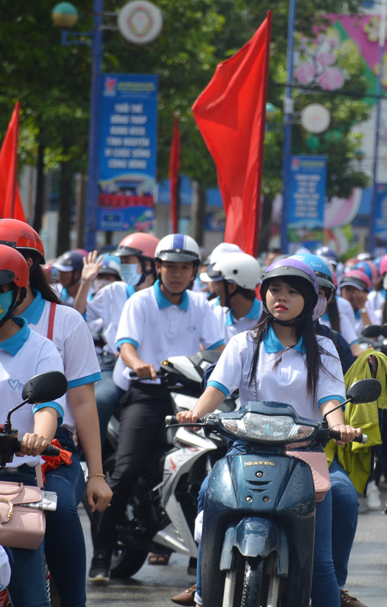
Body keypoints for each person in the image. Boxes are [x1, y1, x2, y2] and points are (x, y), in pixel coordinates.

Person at [176, 258, 358, 607]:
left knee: (320, 561)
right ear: (264, 294)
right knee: (206, 492)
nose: (282, 297)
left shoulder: (325, 348)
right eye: (275, 289)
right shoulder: (245, 342)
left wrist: (339, 427)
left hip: (305, 453)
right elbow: (217, 388)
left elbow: (331, 400)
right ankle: (202, 592)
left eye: (292, 291)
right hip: (247, 448)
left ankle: (333, 591)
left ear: (310, 299)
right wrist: (195, 413)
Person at [0, 219, 112, 607]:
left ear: (26, 270)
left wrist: (96, 475)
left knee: (61, 508)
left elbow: (80, 402)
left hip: (43, 450)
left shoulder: (62, 322)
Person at [90, 234, 224, 582]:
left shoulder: (201, 305)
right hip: (146, 393)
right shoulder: (140, 302)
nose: (177, 274)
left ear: (195, 271)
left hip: (191, 397)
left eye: (184, 267)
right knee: (127, 469)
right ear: (158, 267)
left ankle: (205, 555)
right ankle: (101, 554)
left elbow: (221, 349)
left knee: (217, 466)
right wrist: (138, 365)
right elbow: (126, 346)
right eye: (170, 267)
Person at [0, 243, 66, 607]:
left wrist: (38, 437)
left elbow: (48, 407)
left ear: (17, 293)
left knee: (30, 599)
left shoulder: (41, 349)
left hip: (11, 485)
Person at [74, 233, 160, 447]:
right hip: (113, 364)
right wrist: (85, 283)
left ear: (149, 264)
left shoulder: (165, 296)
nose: (123, 267)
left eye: (128, 261)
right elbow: (78, 318)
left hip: (159, 368)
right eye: (122, 262)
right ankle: (89, 460)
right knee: (101, 399)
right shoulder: (114, 291)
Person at [207, 251, 263, 343]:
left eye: (218, 284)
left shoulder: (267, 317)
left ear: (231, 287)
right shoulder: (217, 313)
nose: (215, 289)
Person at [339, 270, 373, 334]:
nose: (351, 294)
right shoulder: (335, 309)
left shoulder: (369, 308)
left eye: (355, 290)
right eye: (347, 289)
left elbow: (371, 336)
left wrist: (362, 306)